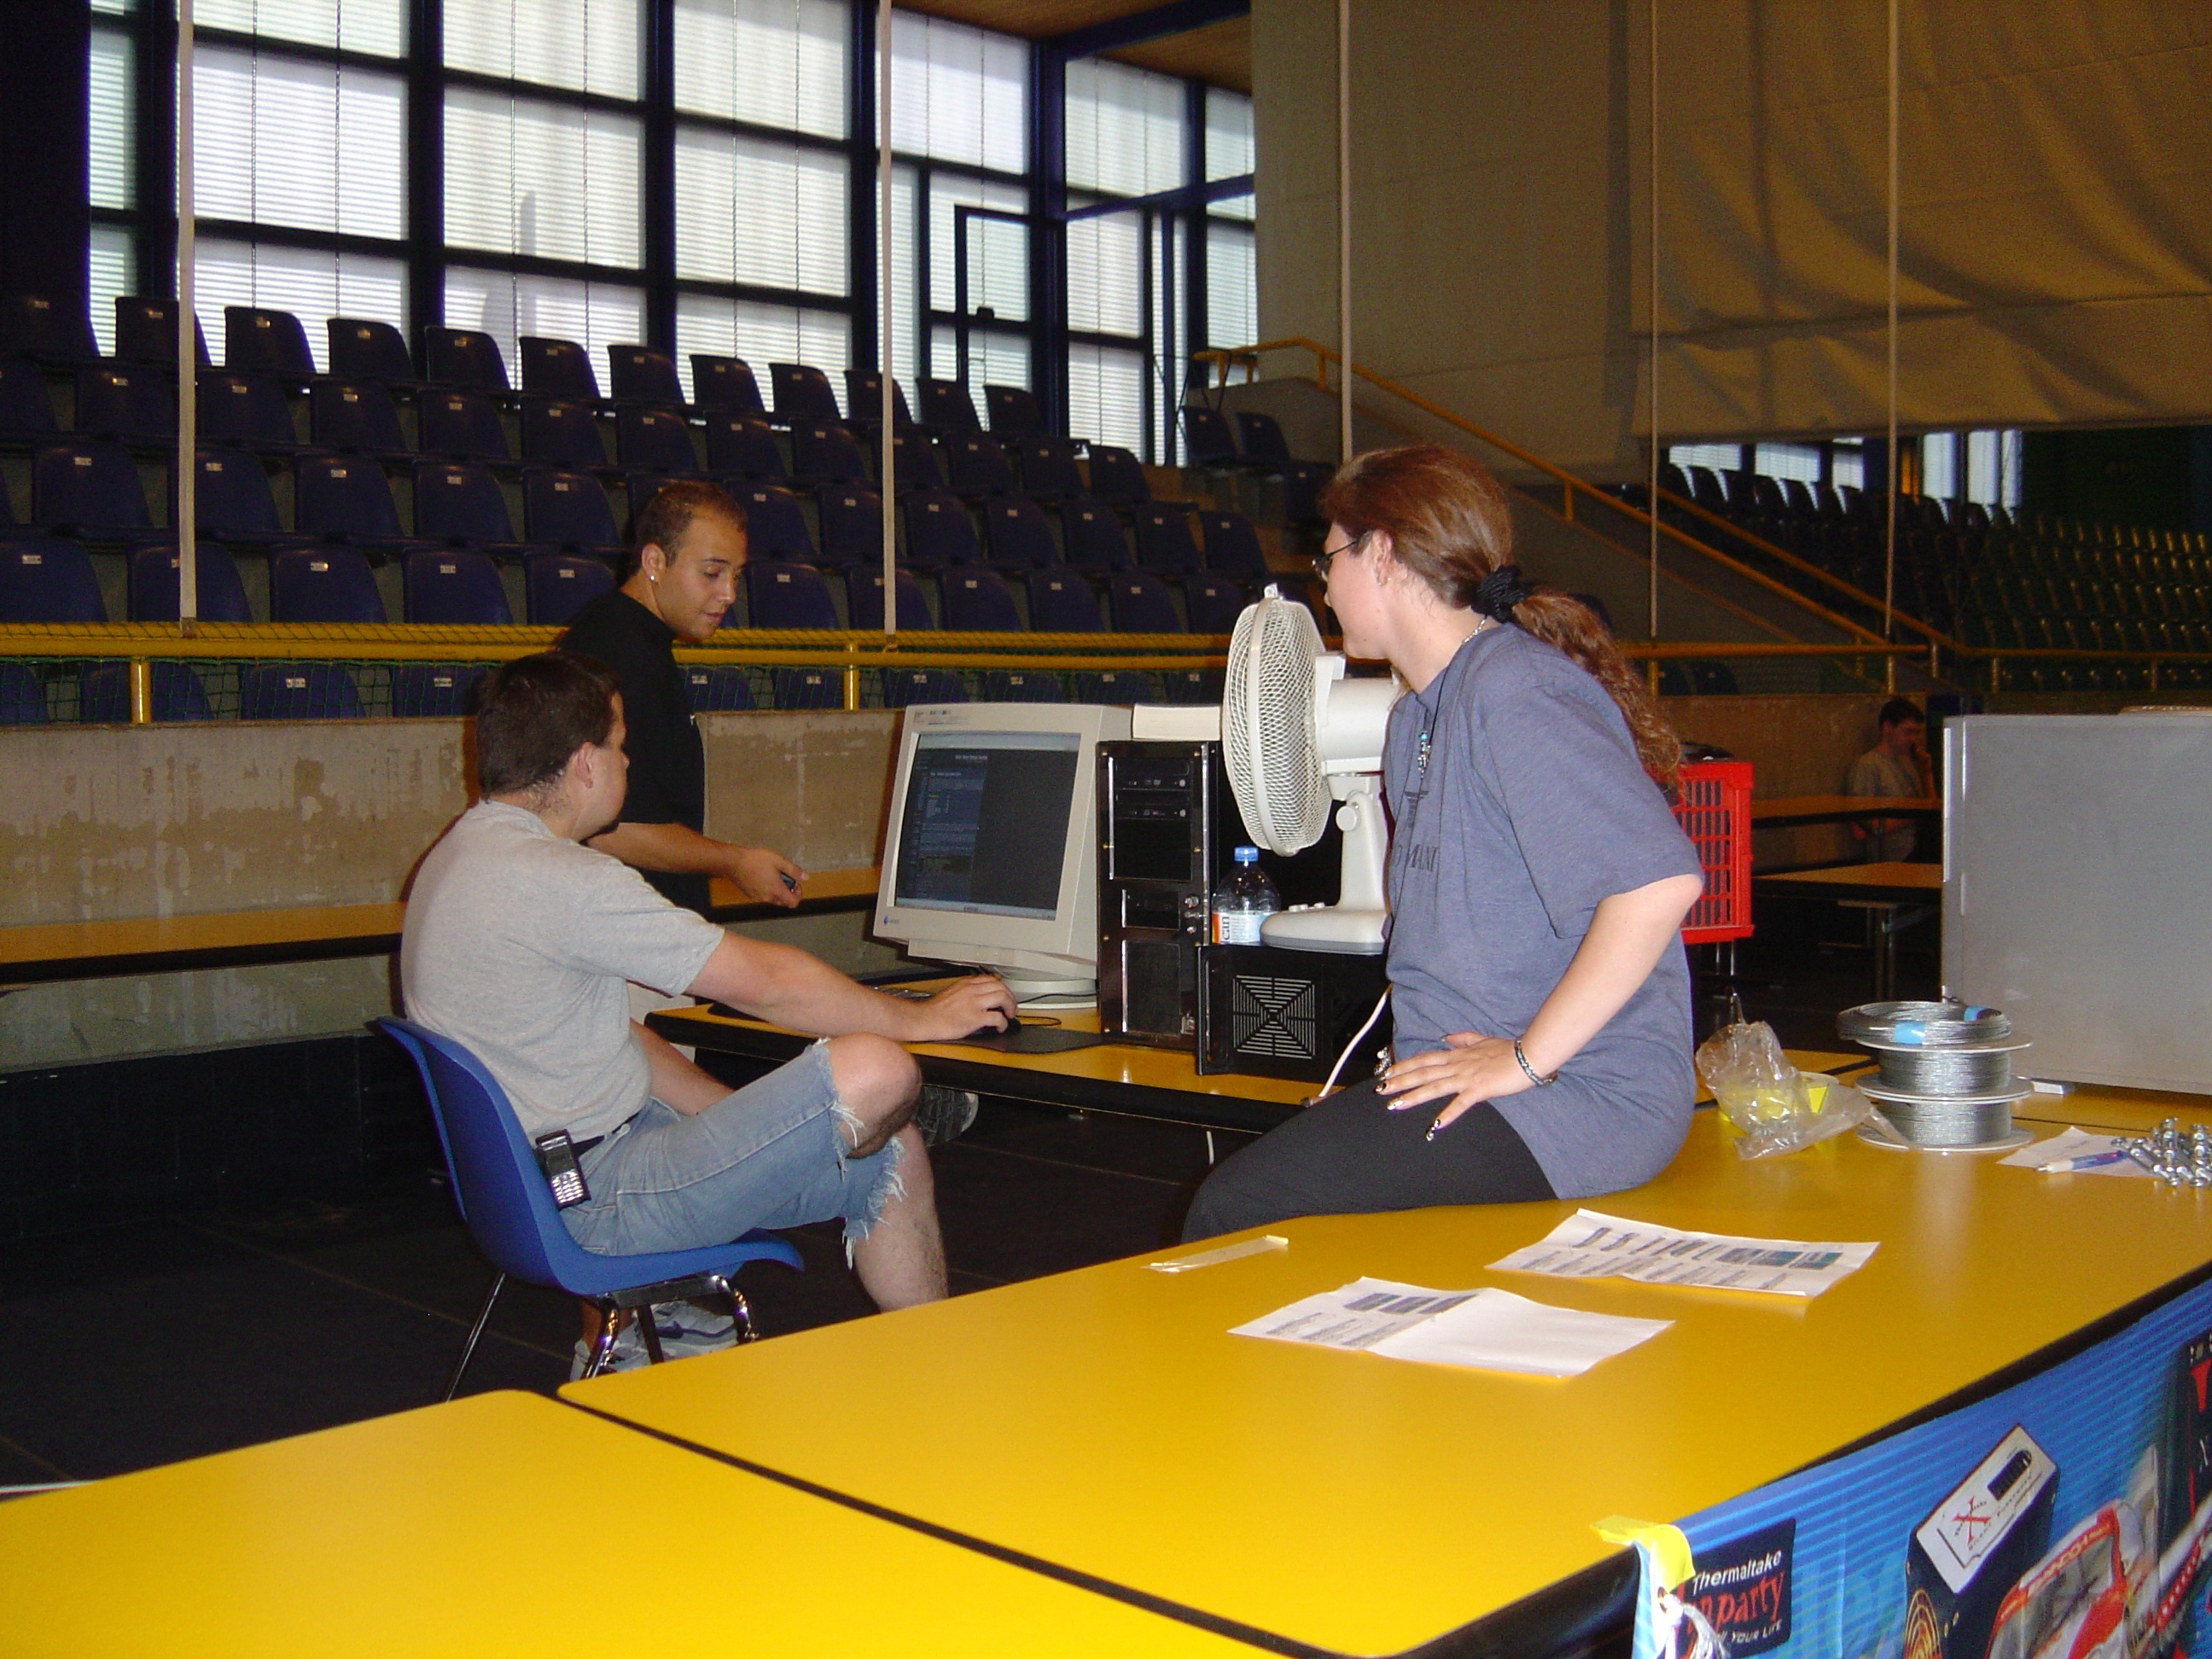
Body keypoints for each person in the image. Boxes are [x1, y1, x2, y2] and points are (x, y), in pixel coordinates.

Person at [401, 652, 1015, 1372]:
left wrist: (741, 1125)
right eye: (620, 746)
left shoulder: (457, 855)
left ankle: (929, 1355)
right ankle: (878, 1121)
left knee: (897, 1150)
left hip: (535, 1189)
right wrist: (921, 1019)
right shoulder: (561, 879)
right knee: (877, 1067)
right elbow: (767, 983)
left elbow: (615, 1038)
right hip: (602, 1200)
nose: (628, 761)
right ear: (586, 764)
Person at [1182, 445, 1704, 1240]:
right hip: (1481, 1081)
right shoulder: (1416, 719)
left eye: (1329, 562)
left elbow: (1657, 886)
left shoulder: (1515, 688)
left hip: (1579, 1095)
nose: (1325, 588)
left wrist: (1524, 1059)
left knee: (1237, 1208)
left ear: (1382, 554)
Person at [558, 480, 803, 917]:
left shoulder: (627, 638)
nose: (729, 594)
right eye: (711, 572)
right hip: (628, 929)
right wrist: (735, 862)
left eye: (736, 575)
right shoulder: (619, 654)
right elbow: (612, 832)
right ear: (654, 562)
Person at [1846, 697, 1931, 863]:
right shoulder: (1867, 766)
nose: (1913, 739)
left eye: (1916, 733)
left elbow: (1930, 808)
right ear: (1887, 728)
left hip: (1917, 850)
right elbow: (1862, 828)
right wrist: (1911, 815)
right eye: (1907, 732)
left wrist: (1927, 774)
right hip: (1892, 859)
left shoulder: (1908, 763)